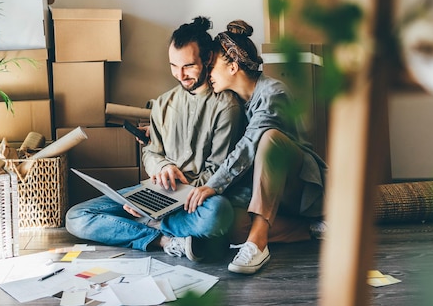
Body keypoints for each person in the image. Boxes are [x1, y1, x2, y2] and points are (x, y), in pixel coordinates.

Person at [65, 16, 244, 261]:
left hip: (194, 197)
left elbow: (217, 170)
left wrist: (164, 206)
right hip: (156, 190)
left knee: (218, 214)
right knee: (76, 217)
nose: (180, 75)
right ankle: (164, 239)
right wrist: (162, 167)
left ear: (207, 59)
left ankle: (150, 222)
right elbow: (151, 152)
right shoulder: (163, 103)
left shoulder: (226, 106)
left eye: (188, 66)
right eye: (173, 65)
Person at [204, 20, 328, 274]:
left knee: (269, 140)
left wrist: (212, 186)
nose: (208, 74)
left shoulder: (273, 93)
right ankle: (312, 229)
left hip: (302, 190)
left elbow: (249, 146)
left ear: (232, 66)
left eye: (212, 66)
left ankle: (258, 243)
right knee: (231, 222)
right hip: (272, 199)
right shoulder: (235, 101)